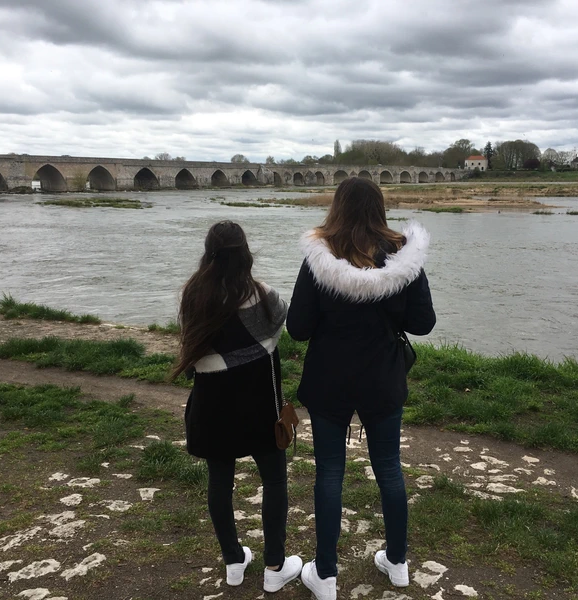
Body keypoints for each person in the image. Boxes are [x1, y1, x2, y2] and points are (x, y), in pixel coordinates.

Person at [286, 178, 436, 600]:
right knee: (389, 468)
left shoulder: (320, 257)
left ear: (337, 207)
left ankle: (325, 575)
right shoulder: (403, 257)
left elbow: (298, 328)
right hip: (382, 380)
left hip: (329, 380)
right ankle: (398, 562)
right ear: (379, 208)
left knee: (329, 472)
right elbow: (423, 323)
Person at [174, 221, 302, 593]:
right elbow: (285, 322)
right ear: (245, 254)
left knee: (220, 483)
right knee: (274, 481)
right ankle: (275, 567)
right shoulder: (262, 295)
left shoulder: (193, 296)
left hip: (212, 409)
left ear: (208, 253)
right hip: (261, 407)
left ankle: (233, 561)